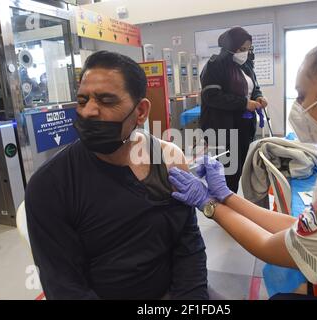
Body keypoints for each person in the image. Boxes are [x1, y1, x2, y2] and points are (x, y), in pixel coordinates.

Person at [168, 15, 317, 300]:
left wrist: (209, 205)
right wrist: (227, 197)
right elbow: (298, 227)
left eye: (302, 96)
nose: (298, 107)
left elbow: (272, 247)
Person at [25, 51, 208, 300]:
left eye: (106, 101)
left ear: (140, 111)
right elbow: (66, 287)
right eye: (82, 100)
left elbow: (188, 244)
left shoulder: (168, 159)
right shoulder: (50, 186)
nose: (88, 111)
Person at [199, 26, 269, 193]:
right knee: (227, 169)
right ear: (231, 46)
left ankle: (233, 199)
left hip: (244, 126)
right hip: (223, 127)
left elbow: (254, 87)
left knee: (239, 168)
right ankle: (224, 204)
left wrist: (259, 97)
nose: (244, 52)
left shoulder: (246, 65)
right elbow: (212, 96)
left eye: (247, 49)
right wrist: (244, 103)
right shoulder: (215, 65)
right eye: (241, 48)